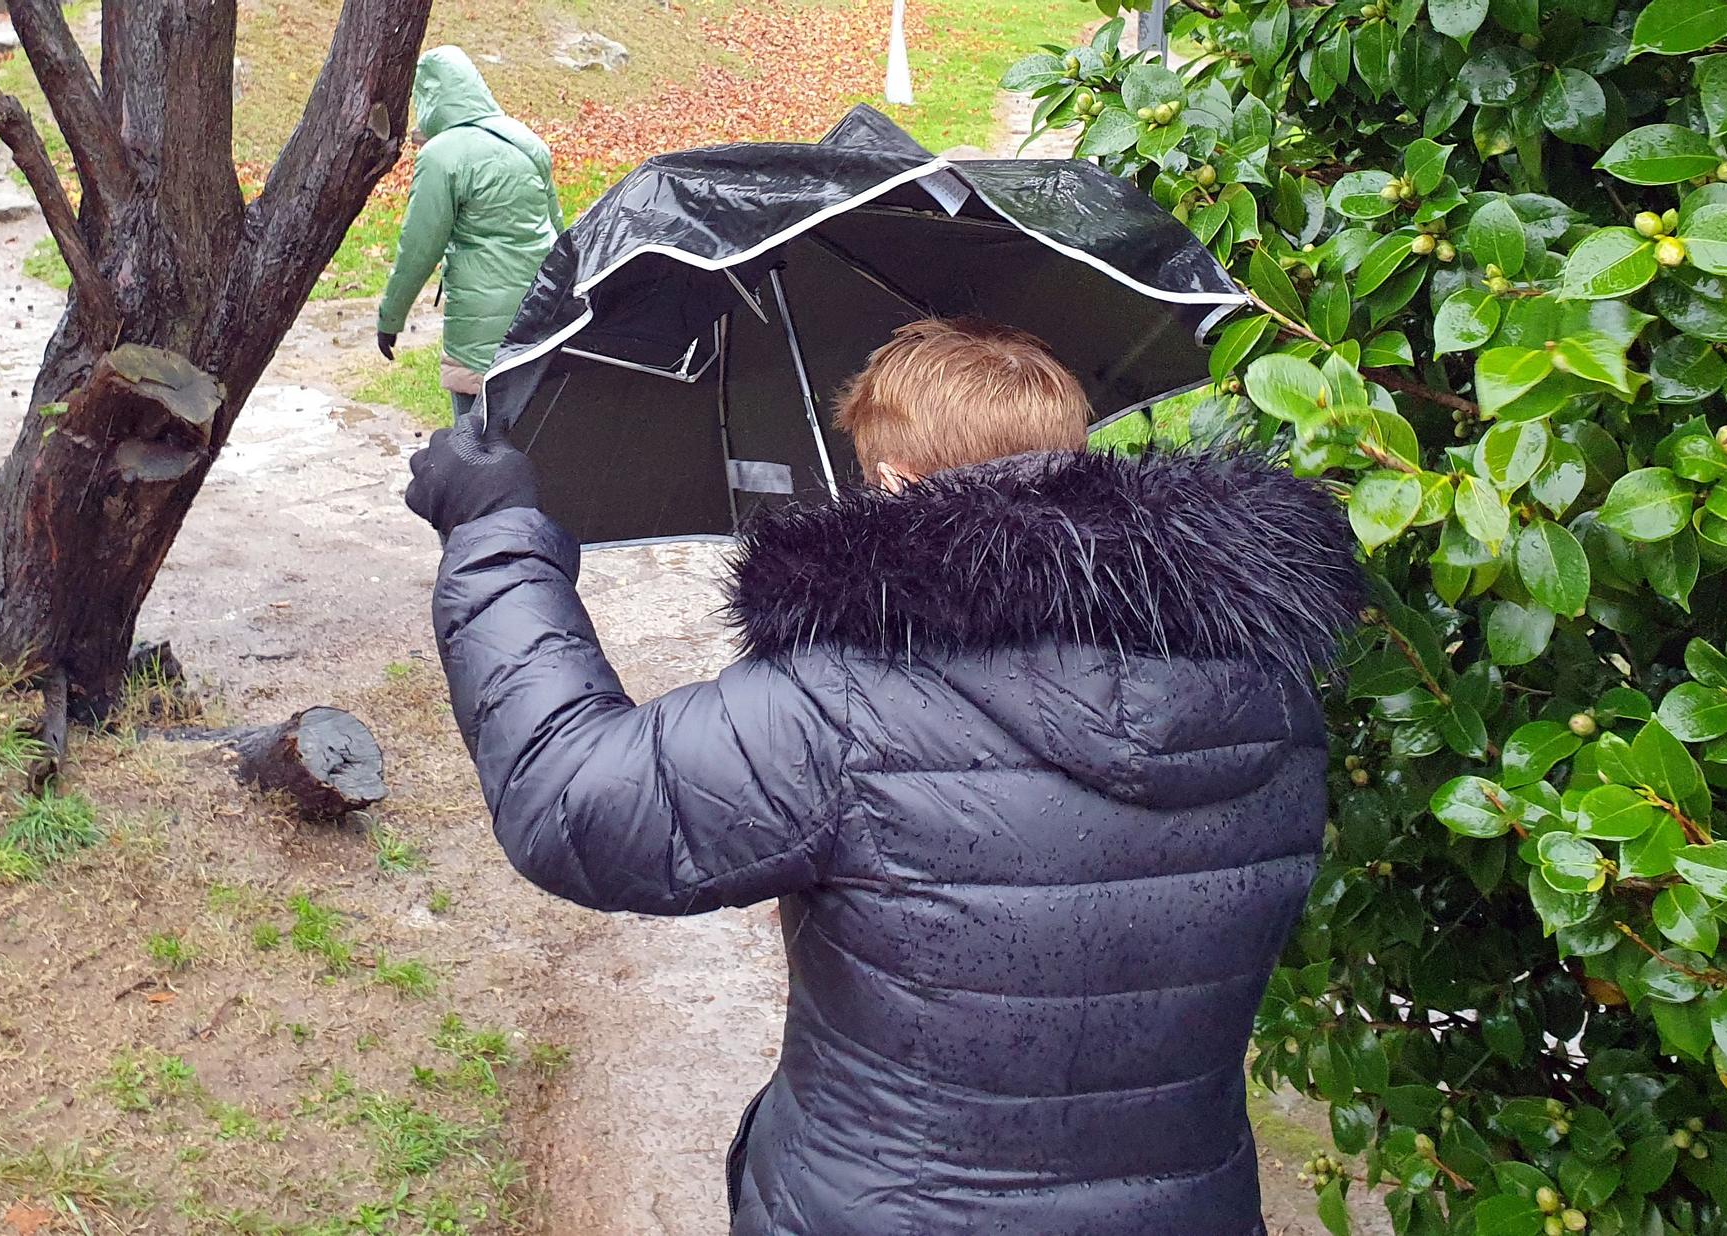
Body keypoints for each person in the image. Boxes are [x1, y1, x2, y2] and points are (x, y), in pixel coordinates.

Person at [403, 318, 1363, 1235]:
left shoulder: (845, 705)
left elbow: (576, 800)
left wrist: (494, 532)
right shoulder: (1272, 688)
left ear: (899, 481)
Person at [377, 46, 565, 421]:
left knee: (473, 446)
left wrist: (390, 319)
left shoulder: (442, 156)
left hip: (480, 332)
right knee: (528, 436)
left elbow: (419, 249)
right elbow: (561, 237)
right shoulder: (526, 141)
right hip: (539, 316)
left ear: (430, 99)